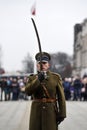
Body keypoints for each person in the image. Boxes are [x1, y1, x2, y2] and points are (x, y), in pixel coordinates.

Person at [23, 52, 66, 130]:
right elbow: (27, 92)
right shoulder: (32, 78)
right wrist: (38, 80)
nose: (42, 65)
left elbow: (61, 97)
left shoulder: (55, 77)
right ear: (37, 65)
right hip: (36, 111)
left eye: (44, 63)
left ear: (48, 65)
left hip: (51, 111)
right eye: (39, 63)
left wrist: (62, 113)